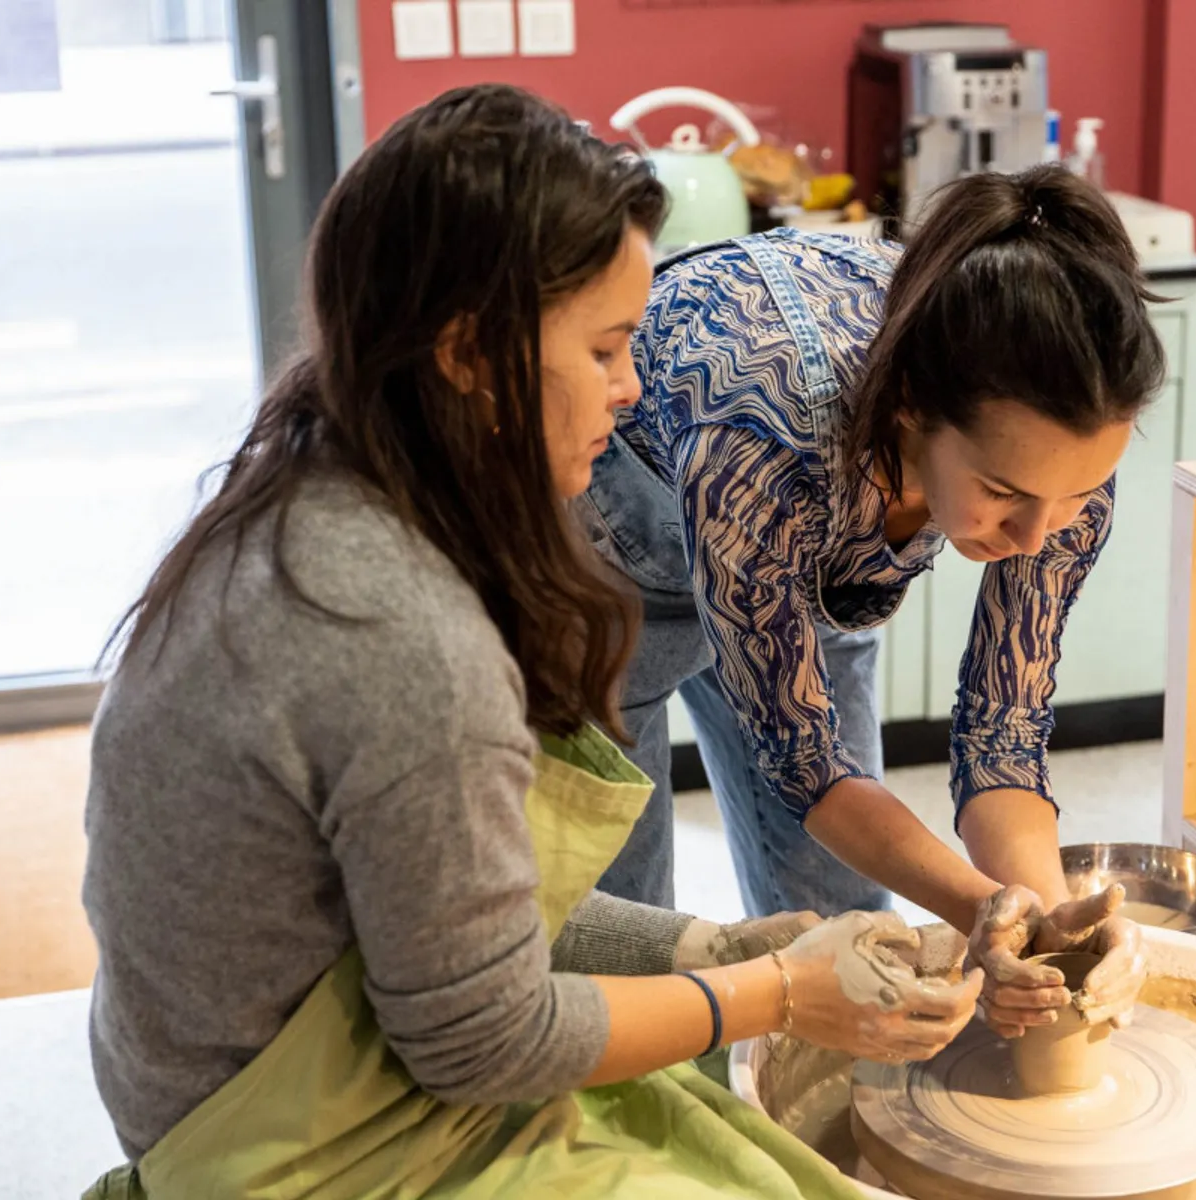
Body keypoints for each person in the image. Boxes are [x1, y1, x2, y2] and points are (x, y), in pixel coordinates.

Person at [79, 84, 982, 1200]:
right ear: (468, 353)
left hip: (267, 1056)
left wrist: (709, 950)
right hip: (282, 1136)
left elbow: (465, 917)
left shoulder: (318, 485)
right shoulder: (396, 632)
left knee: (722, 1122)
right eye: (606, 348)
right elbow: (477, 1039)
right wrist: (780, 995)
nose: (632, 385)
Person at [582, 164, 1163, 1038]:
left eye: (1077, 496)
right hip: (628, 555)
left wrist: (1044, 922)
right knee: (640, 948)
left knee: (854, 930)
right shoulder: (762, 434)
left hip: (810, 569)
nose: (1038, 535)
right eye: (1004, 493)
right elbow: (805, 764)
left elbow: (1004, 730)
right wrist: (981, 910)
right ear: (909, 411)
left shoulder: (1060, 467)